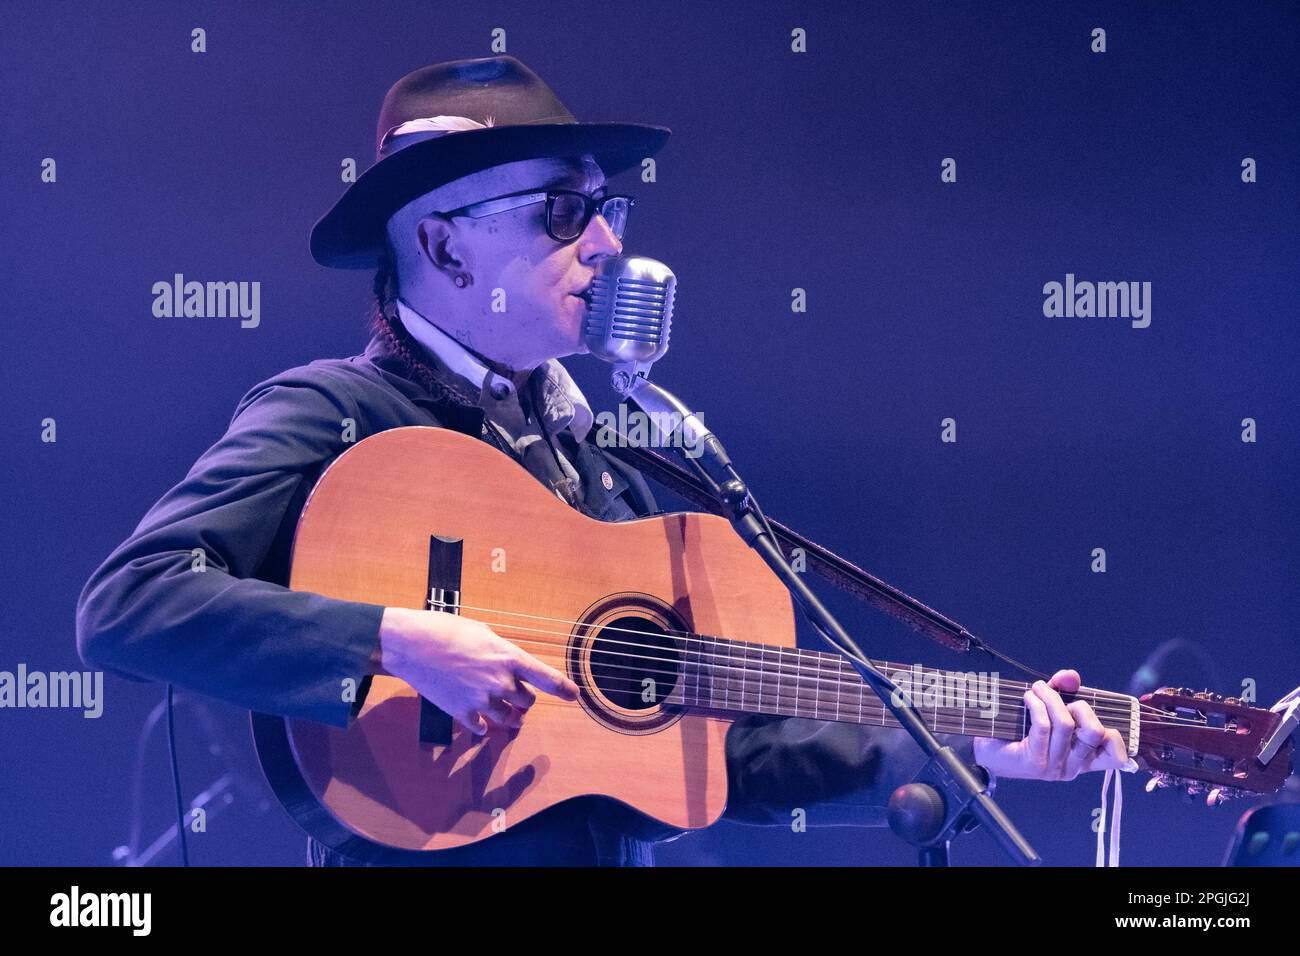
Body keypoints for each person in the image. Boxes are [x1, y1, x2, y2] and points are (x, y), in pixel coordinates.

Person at [75, 55, 1131, 867]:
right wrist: (398, 639)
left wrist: (971, 746)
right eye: (565, 211)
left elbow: (729, 749)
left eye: (607, 210)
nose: (608, 247)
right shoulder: (337, 412)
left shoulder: (606, 466)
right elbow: (127, 602)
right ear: (443, 245)